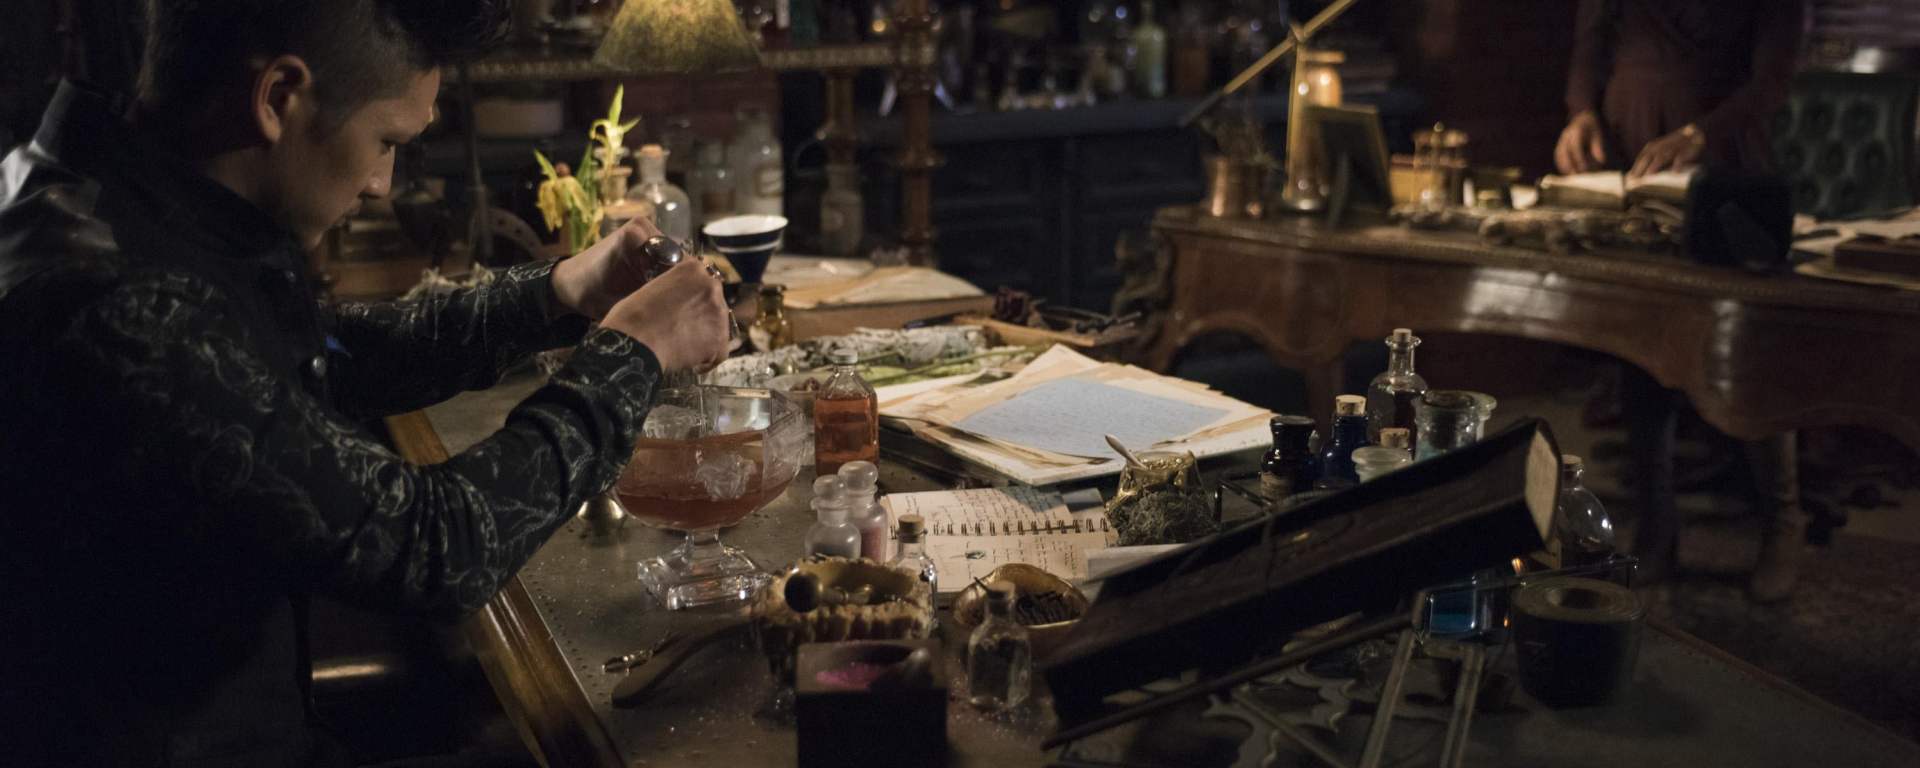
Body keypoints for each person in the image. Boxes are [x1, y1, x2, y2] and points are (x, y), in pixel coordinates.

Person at [0, 1, 732, 765]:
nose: (383, 184)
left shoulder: (117, 199)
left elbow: (326, 354)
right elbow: (436, 548)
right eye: (387, 142)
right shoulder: (110, 299)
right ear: (279, 97)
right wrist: (632, 353)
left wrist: (558, 292)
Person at [1555, 0, 1805, 177]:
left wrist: (1700, 135)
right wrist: (1582, 112)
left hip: (1719, 151)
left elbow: (1772, 81)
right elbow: (1590, 45)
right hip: (1620, 147)